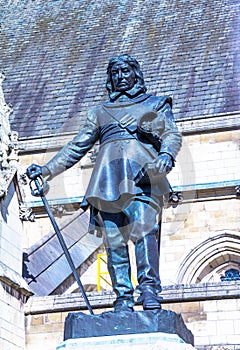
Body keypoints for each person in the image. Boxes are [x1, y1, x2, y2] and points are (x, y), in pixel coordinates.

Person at [27, 54, 182, 312]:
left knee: (144, 232)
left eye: (125, 71)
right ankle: (123, 297)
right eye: (115, 73)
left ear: (136, 74)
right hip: (107, 182)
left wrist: (166, 155)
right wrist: (46, 170)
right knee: (114, 241)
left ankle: (149, 291)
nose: (120, 77)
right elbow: (76, 147)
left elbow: (172, 134)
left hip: (143, 177)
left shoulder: (155, 104)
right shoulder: (99, 113)